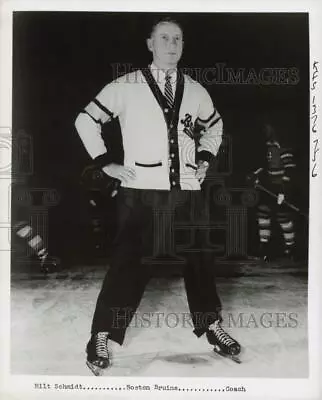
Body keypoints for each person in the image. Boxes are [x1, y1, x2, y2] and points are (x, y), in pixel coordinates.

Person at [75, 17, 241, 375]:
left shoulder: (195, 90)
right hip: (140, 192)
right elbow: (85, 120)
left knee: (200, 262)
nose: (171, 44)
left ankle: (211, 326)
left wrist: (205, 158)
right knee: (127, 265)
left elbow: (215, 126)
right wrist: (106, 163)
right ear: (150, 44)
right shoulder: (127, 85)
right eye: (164, 38)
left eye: (178, 38)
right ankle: (101, 335)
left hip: (187, 191)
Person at [249, 123, 296, 261]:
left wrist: (283, 192)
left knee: (283, 218)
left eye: (268, 128)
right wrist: (255, 173)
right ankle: (263, 249)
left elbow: (290, 170)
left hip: (283, 187)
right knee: (263, 214)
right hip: (271, 187)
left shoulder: (283, 148)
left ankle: (290, 249)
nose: (265, 131)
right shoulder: (269, 146)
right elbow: (267, 165)